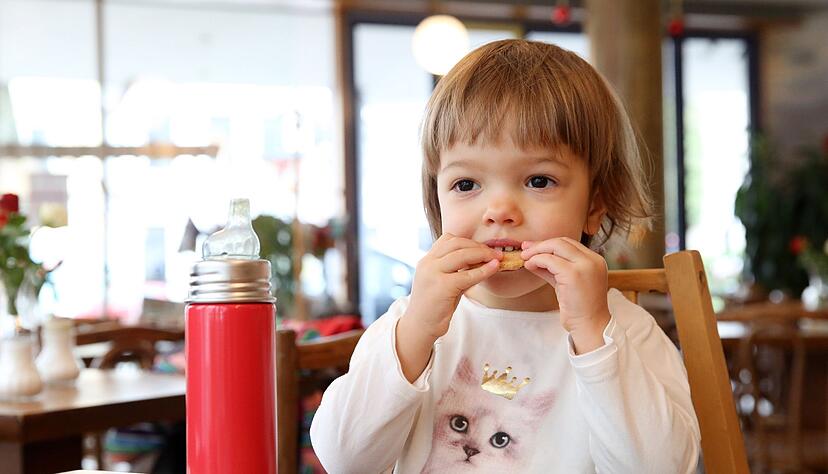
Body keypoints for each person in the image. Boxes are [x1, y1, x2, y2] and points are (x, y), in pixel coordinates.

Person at [310, 39, 700, 473]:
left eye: (538, 181)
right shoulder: (412, 326)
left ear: (593, 206)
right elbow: (344, 459)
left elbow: (664, 467)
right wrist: (416, 330)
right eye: (466, 185)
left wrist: (592, 333)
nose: (499, 211)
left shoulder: (624, 331)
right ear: (438, 206)